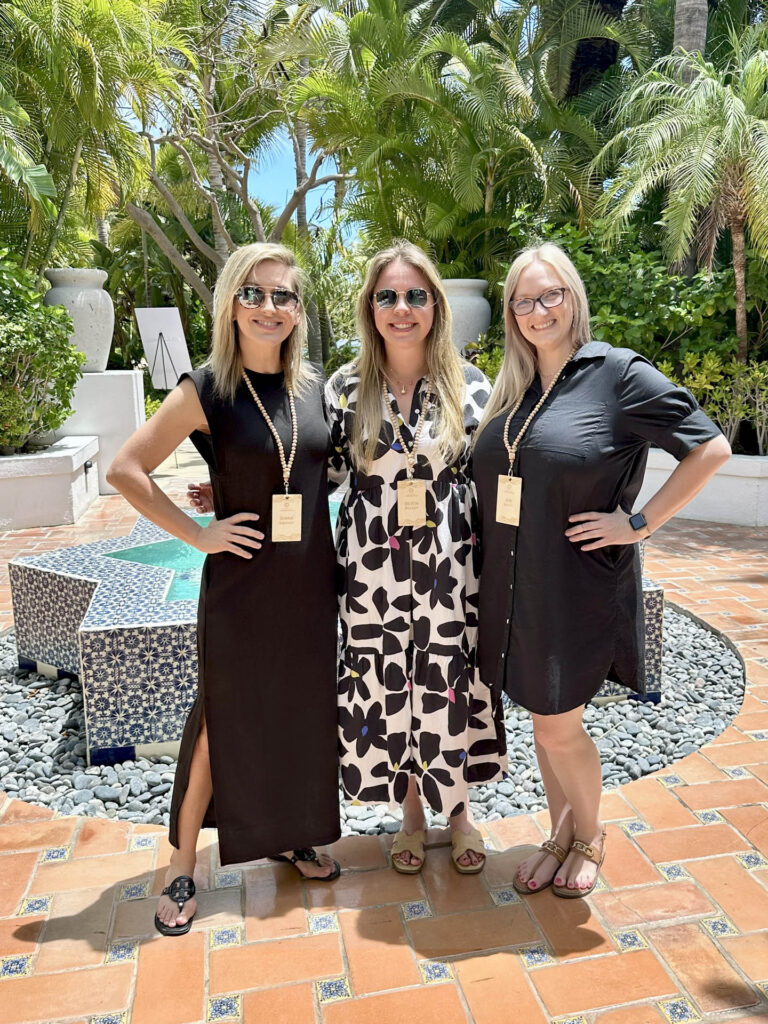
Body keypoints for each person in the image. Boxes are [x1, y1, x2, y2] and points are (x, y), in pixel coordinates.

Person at [471, 242, 731, 897]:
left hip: (576, 585)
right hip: (516, 588)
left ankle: (591, 836)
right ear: (511, 312)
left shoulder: (617, 374)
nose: (538, 310)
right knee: (541, 716)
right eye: (524, 300)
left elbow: (711, 447)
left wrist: (639, 522)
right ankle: (560, 834)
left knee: (559, 725)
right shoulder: (518, 386)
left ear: (573, 297)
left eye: (550, 293)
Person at [107, 242, 341, 937]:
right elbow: (127, 469)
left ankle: (294, 832)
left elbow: (313, 467)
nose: (271, 307)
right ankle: (182, 862)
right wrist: (198, 531)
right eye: (256, 293)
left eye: (285, 296)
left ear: (300, 310)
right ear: (231, 303)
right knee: (219, 722)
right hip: (241, 587)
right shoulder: (205, 387)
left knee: (300, 712)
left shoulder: (314, 387)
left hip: (308, 582)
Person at [325, 240, 507, 874]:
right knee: (386, 682)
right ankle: (410, 814)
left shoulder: (474, 385)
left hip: (450, 565)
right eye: (387, 296)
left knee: (446, 680)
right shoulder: (344, 387)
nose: (401, 308)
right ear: (370, 307)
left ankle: (459, 814)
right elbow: (312, 473)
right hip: (371, 564)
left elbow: (505, 472)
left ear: (434, 305)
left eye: (415, 295)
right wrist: (234, 484)